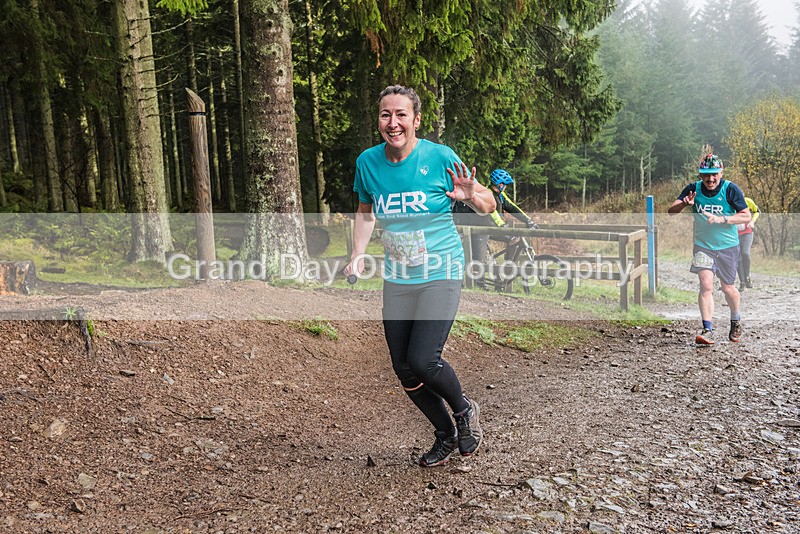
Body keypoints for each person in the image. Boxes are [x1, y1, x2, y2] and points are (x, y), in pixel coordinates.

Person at [343, 85, 496, 467]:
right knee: (403, 367)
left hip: (440, 270)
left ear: (416, 120)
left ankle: (464, 411)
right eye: (385, 115)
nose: (392, 123)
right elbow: (365, 211)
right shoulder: (368, 162)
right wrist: (358, 253)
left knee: (424, 358)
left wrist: (469, 196)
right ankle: (445, 434)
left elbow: (488, 203)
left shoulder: (440, 157)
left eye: (400, 115)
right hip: (398, 276)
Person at [668, 154, 751, 345]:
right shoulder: (693, 190)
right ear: (700, 174)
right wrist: (684, 203)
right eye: (706, 175)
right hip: (703, 246)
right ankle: (707, 330)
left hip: (728, 247)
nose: (710, 179)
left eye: (714, 174)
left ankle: (735, 320)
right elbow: (671, 210)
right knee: (706, 285)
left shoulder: (731, 189)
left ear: (721, 173)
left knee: (727, 288)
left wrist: (723, 219)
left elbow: (745, 216)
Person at [737, 196, 759, 290]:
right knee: (738, 258)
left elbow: (757, 211)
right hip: (733, 234)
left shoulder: (748, 201)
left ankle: (747, 277)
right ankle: (742, 282)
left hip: (747, 232)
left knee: (745, 253)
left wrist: (752, 221)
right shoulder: (728, 203)